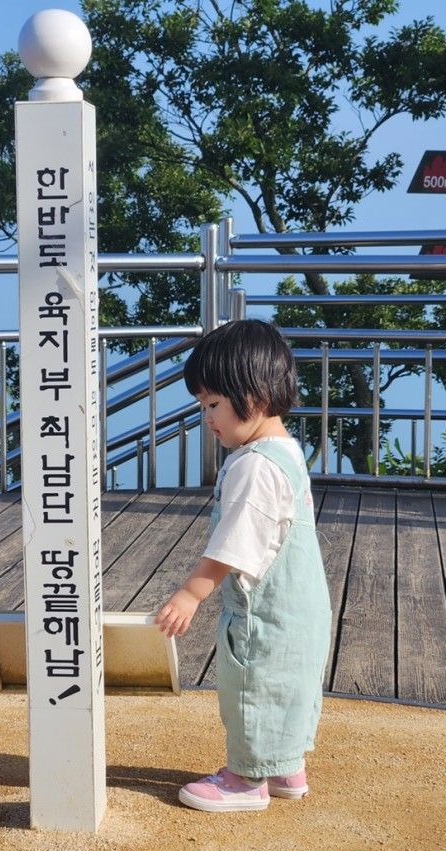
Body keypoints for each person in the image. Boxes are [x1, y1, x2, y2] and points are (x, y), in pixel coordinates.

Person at [155, 319, 332, 813]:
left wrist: (192, 592)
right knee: (287, 681)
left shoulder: (254, 464)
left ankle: (246, 778)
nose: (206, 417)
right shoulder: (285, 450)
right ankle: (284, 765)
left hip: (269, 610)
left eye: (212, 404)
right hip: (302, 606)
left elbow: (234, 543)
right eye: (202, 406)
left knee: (250, 682)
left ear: (253, 393)